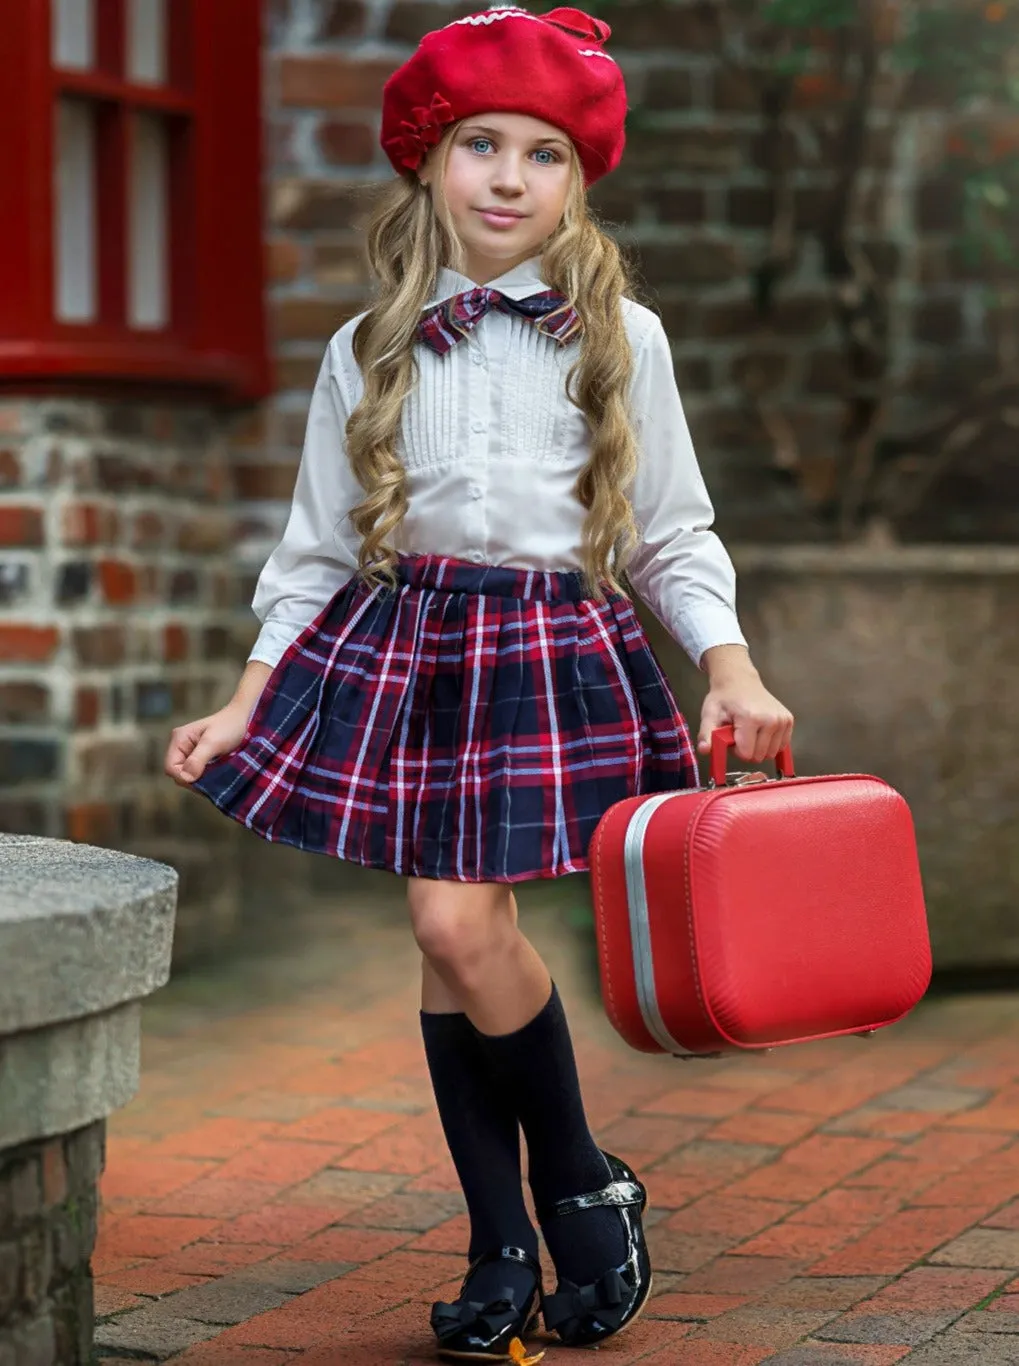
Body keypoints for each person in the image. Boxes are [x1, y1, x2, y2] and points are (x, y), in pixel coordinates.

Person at [164, 3, 794, 1359]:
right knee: (450, 942)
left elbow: (669, 530)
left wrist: (729, 664)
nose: (509, 179)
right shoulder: (366, 348)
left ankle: (559, 1193)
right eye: (480, 146)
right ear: (426, 163)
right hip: (409, 650)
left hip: (550, 650)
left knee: (457, 933)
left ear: (578, 178)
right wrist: (244, 697)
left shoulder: (621, 335)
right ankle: (523, 1223)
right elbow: (311, 550)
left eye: (544, 154)